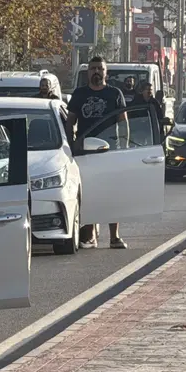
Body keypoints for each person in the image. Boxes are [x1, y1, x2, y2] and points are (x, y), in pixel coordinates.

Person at [65, 56, 129, 250]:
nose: (96, 72)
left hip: (109, 151)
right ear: (88, 72)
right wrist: (71, 144)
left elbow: (123, 121)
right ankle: (90, 235)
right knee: (89, 194)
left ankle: (114, 237)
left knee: (111, 195)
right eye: (93, 68)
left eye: (100, 69)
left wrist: (124, 147)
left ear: (105, 72)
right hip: (86, 152)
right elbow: (70, 121)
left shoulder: (114, 93)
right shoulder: (79, 94)